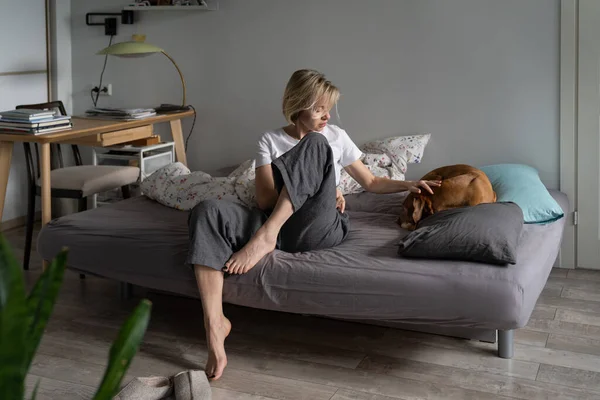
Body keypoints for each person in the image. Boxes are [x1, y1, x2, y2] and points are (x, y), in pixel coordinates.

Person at [187, 69, 441, 381]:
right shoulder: (270, 140)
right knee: (207, 211)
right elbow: (265, 201)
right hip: (277, 221)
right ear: (298, 105)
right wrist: (311, 179)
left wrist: (408, 184)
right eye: (319, 108)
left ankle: (265, 239)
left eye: (328, 108)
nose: (327, 115)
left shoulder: (333, 137)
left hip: (317, 227)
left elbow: (372, 182)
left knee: (317, 144)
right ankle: (215, 326)